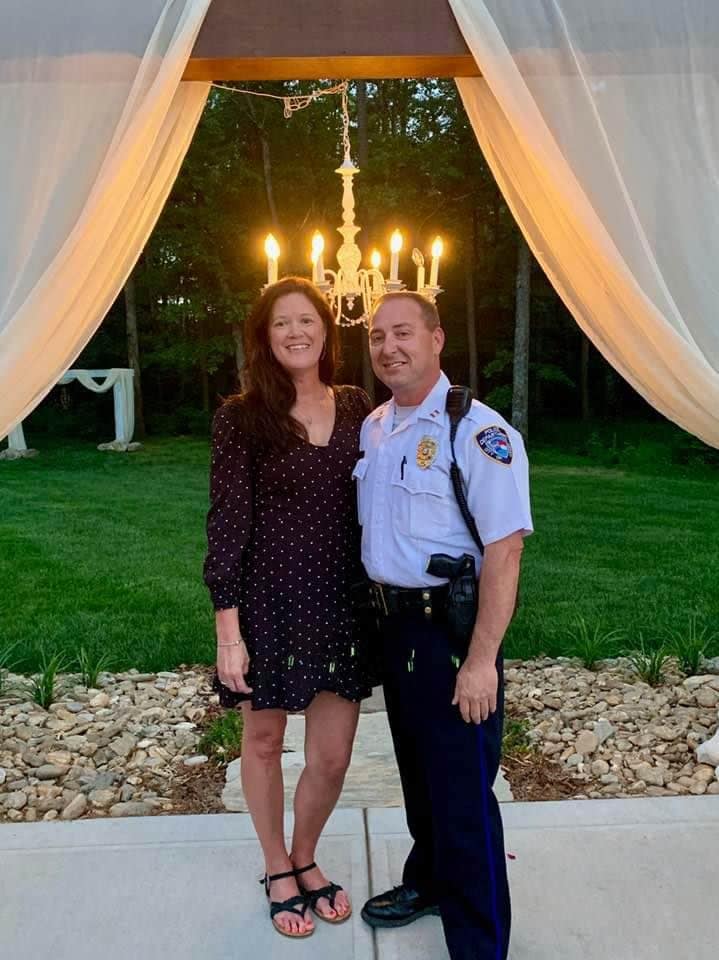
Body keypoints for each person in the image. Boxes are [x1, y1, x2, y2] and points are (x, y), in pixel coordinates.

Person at [355, 292, 533, 960]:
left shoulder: (477, 432)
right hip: (396, 630)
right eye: (376, 336)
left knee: (461, 797)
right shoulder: (376, 426)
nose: (387, 347)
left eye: (402, 333)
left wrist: (482, 659)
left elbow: (505, 550)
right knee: (420, 778)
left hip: (452, 636)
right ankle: (427, 881)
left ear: (436, 339)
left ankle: (479, 945)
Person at [203, 277, 375, 939]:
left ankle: (305, 855)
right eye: (282, 324)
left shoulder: (359, 407)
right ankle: (276, 865)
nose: (296, 332)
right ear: (264, 337)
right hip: (267, 604)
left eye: (307, 320)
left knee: (330, 757)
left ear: (326, 331)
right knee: (267, 741)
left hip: (342, 604)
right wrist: (228, 627)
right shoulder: (243, 416)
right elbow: (227, 524)